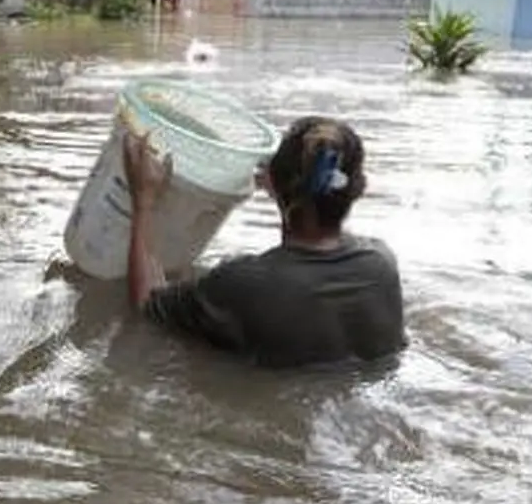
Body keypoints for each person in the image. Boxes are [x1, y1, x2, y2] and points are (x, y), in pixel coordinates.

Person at [122, 116, 406, 368]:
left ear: (276, 181)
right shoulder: (381, 263)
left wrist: (143, 200)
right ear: (357, 190)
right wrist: (286, 191)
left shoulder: (246, 283)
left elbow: (146, 306)